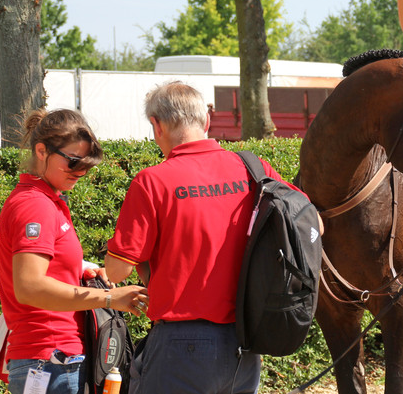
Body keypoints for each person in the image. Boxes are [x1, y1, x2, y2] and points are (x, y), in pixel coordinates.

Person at [104, 81, 308, 394]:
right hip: (246, 341)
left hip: (180, 343)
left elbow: (117, 271)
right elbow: (304, 221)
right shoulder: (254, 169)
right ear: (207, 121)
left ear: (156, 125)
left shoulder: (153, 181)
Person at [0, 108, 148, 394]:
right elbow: (29, 286)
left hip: (51, 359)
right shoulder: (35, 205)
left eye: (87, 165)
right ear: (41, 151)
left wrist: (81, 272)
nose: (81, 172)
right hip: (50, 360)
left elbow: (40, 274)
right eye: (74, 162)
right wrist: (108, 298)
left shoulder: (45, 201)